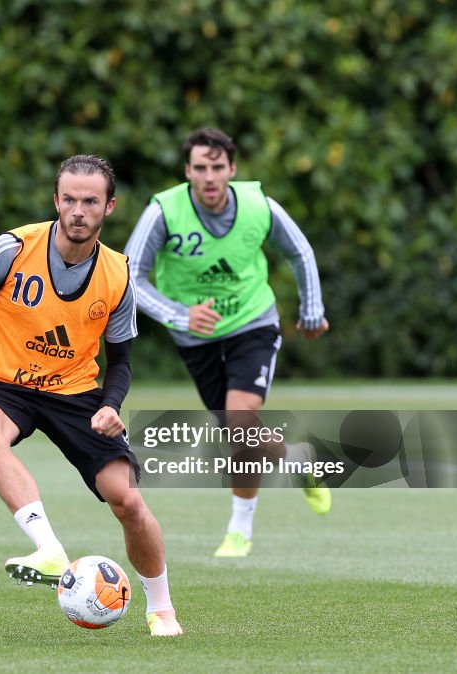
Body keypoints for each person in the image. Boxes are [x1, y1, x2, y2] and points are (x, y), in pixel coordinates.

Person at [0, 155, 183, 637]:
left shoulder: (118, 274)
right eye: (70, 199)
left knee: (127, 501)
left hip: (74, 391)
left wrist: (110, 405)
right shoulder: (11, 248)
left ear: (110, 207)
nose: (78, 210)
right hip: (2, 382)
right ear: (56, 201)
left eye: (90, 201)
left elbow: (121, 360)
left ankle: (162, 609)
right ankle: (49, 549)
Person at [124, 128, 331, 558]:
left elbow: (301, 252)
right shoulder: (163, 211)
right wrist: (181, 315)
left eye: (218, 167)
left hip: (251, 322)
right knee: (239, 433)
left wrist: (311, 309)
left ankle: (240, 528)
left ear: (232, 170)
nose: (210, 176)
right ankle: (296, 459)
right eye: (200, 168)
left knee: (239, 419)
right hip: (194, 337)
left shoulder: (259, 206)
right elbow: (130, 277)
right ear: (188, 172)